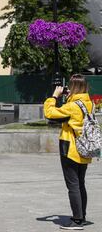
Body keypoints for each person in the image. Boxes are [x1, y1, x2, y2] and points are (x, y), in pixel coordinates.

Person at [44, 74, 92, 230]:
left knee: (73, 185)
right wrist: (69, 97)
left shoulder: (72, 106)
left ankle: (77, 220)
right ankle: (82, 216)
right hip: (84, 148)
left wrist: (53, 96)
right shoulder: (88, 103)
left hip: (70, 149)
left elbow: (49, 113)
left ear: (74, 87)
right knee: (80, 184)